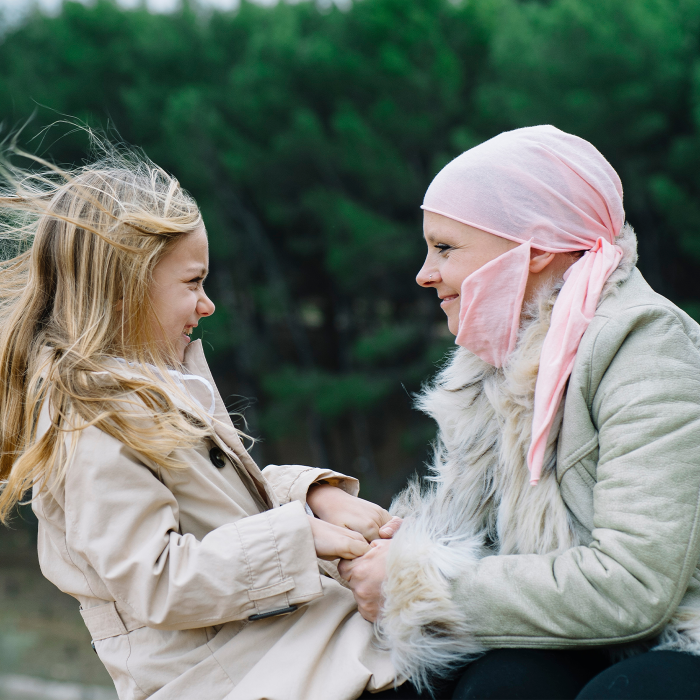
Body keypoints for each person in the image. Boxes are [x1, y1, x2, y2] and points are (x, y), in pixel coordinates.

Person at [0, 139, 417, 700]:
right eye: (193, 283)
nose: (208, 304)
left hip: (277, 654)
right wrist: (302, 538)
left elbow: (213, 510)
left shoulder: (150, 389)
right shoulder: (91, 423)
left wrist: (311, 497)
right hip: (231, 679)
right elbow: (158, 579)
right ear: (124, 290)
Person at [338, 125, 700, 700]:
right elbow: (472, 537)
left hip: (673, 639)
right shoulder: (492, 358)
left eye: (446, 248)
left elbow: (637, 586)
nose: (424, 273)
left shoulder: (645, 344)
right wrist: (379, 546)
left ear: (537, 250)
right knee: (485, 687)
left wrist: (420, 583)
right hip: (579, 633)